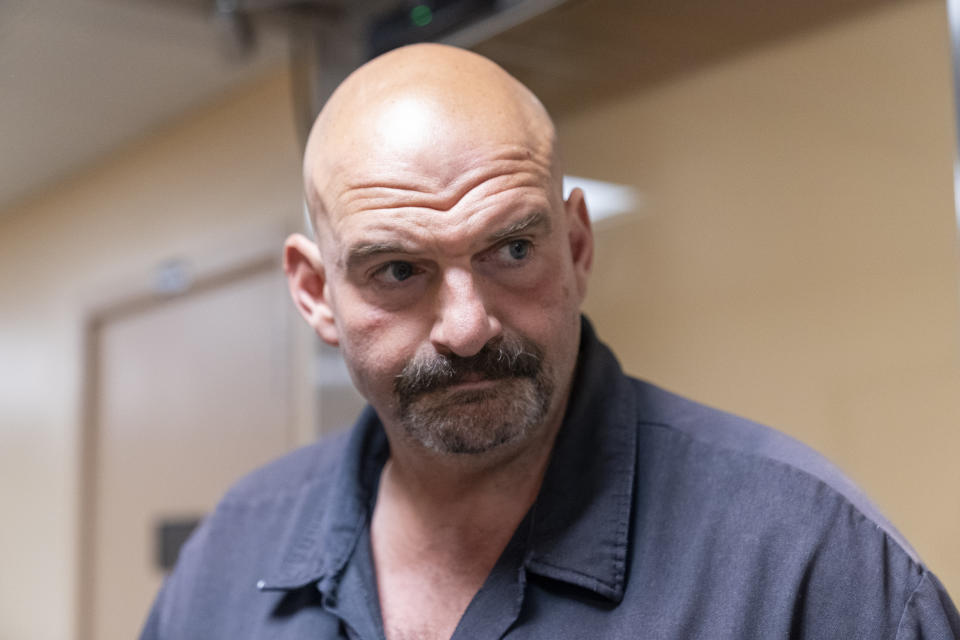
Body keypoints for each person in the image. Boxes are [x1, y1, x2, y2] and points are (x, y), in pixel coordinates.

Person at [140, 43, 960, 640]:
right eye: (398, 271)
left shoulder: (805, 563)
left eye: (512, 250)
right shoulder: (230, 561)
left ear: (576, 247)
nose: (467, 327)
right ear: (317, 293)